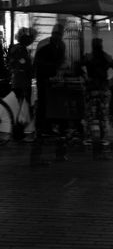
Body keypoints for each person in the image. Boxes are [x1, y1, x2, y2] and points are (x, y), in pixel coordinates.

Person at [31, 24, 66, 165]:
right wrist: (52, 68)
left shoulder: (61, 45)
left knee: (52, 101)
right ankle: (42, 127)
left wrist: (59, 69)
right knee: (44, 101)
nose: (58, 37)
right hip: (43, 78)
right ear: (53, 34)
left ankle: (49, 125)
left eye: (60, 35)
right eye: (57, 34)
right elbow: (38, 62)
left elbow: (61, 59)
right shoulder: (44, 44)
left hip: (52, 77)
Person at [81, 37, 113, 159]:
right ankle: (104, 138)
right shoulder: (106, 57)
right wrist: (112, 81)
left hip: (91, 88)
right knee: (103, 116)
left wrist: (84, 77)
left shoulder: (88, 57)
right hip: (103, 89)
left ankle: (89, 137)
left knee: (89, 115)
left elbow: (76, 66)